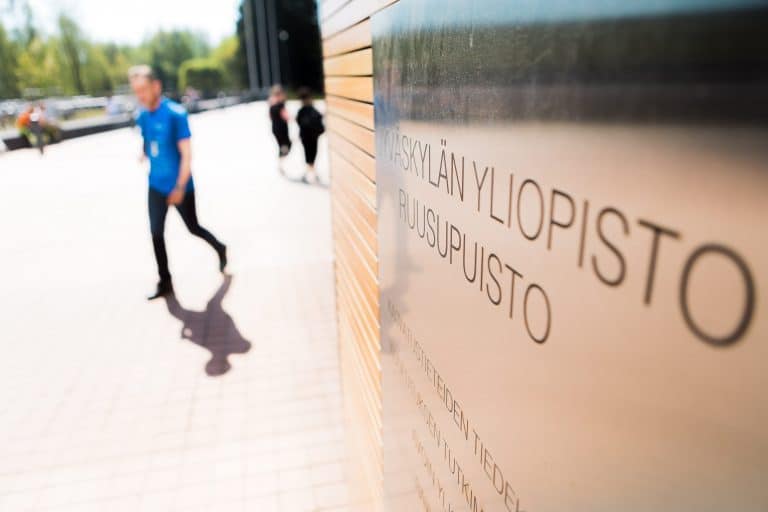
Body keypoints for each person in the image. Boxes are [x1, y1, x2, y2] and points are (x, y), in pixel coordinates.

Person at [129, 65, 227, 300]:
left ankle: (220, 248)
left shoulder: (175, 114)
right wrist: (143, 152)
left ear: (156, 86)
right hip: (156, 185)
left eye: (143, 89)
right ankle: (165, 281)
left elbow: (187, 155)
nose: (140, 95)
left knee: (193, 227)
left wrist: (180, 187)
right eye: (136, 91)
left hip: (180, 186)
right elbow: (147, 138)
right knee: (156, 233)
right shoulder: (142, 115)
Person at [296, 87, 325, 184]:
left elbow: (298, 122)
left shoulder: (301, 111)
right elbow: (319, 118)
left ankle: (310, 174)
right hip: (312, 137)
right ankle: (311, 174)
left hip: (306, 137)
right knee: (312, 156)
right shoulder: (311, 110)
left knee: (309, 156)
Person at [268, 84, 291, 174]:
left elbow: (270, 117)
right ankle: (280, 163)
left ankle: (280, 164)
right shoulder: (280, 105)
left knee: (283, 146)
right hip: (282, 129)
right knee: (285, 145)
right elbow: (286, 117)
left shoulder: (271, 103)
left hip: (275, 128)